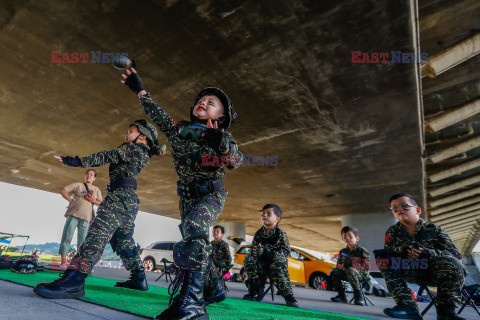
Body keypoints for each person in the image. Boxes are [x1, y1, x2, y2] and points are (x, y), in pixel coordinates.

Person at [121, 68, 243, 320]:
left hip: (211, 194)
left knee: (194, 227)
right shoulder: (180, 129)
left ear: (221, 117)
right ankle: (214, 287)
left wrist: (220, 144)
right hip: (186, 196)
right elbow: (157, 114)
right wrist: (140, 90)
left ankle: (193, 305)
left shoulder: (222, 137)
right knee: (193, 236)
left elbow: (234, 160)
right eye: (200, 100)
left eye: (211, 103)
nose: (203, 103)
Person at [33, 120, 166, 299]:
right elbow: (151, 149)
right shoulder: (144, 153)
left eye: (131, 131)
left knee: (97, 234)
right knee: (122, 241)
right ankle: (139, 277)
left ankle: (74, 281)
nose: (126, 134)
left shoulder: (131, 149)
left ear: (142, 136)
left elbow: (106, 156)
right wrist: (155, 148)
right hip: (131, 201)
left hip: (118, 198)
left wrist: (75, 161)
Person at [379, 193, 466, 320]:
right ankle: (407, 307)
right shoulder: (392, 232)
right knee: (384, 259)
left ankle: (446, 312)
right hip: (408, 270)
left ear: (418, 210)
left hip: (434, 271)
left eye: (404, 206)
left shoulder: (434, 229)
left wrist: (429, 253)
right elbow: (388, 251)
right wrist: (403, 250)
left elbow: (455, 254)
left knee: (452, 262)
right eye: (395, 208)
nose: (399, 210)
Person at [242, 204, 299, 308]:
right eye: (263, 214)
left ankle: (288, 296)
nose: (264, 216)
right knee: (249, 259)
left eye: (268, 214)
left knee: (279, 261)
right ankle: (255, 290)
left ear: (277, 219)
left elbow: (286, 251)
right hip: (261, 264)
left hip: (275, 263)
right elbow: (254, 250)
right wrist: (255, 253)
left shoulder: (280, 234)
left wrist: (267, 253)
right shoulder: (258, 234)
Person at [58, 169, 102, 268]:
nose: (89, 176)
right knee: (67, 237)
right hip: (73, 214)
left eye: (91, 175)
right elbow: (63, 190)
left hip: (86, 218)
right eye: (87, 174)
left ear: (94, 178)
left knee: (82, 242)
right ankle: (64, 262)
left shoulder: (96, 189)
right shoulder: (78, 185)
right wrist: (70, 200)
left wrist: (93, 200)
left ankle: (79, 263)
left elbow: (100, 203)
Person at [330, 226, 369, 306]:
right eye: (345, 237)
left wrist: (350, 266)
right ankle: (342, 296)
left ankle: (359, 297)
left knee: (350, 270)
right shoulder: (343, 251)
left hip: (361, 275)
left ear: (357, 238)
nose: (347, 238)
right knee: (334, 272)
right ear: (342, 239)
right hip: (347, 273)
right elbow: (339, 265)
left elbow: (366, 266)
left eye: (350, 237)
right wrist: (341, 267)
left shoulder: (362, 250)